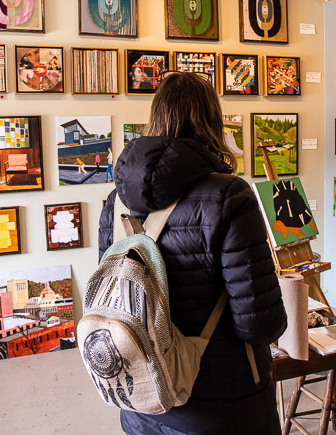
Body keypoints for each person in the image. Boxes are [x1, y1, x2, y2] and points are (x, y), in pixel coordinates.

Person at [98, 71, 287, 435]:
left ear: (156, 118)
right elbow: (260, 323)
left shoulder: (115, 201)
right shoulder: (231, 196)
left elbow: (112, 299)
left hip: (142, 398)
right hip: (222, 404)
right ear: (211, 121)